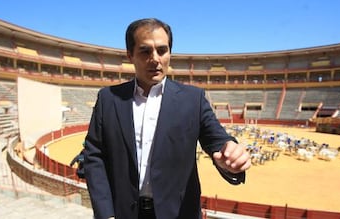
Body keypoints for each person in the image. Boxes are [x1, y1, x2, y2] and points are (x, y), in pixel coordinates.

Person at [83, 18, 251, 219]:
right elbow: (94, 155)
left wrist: (230, 155)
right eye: (145, 51)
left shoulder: (193, 99)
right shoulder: (108, 98)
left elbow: (218, 140)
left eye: (162, 50)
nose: (155, 59)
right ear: (130, 55)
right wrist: (105, 213)